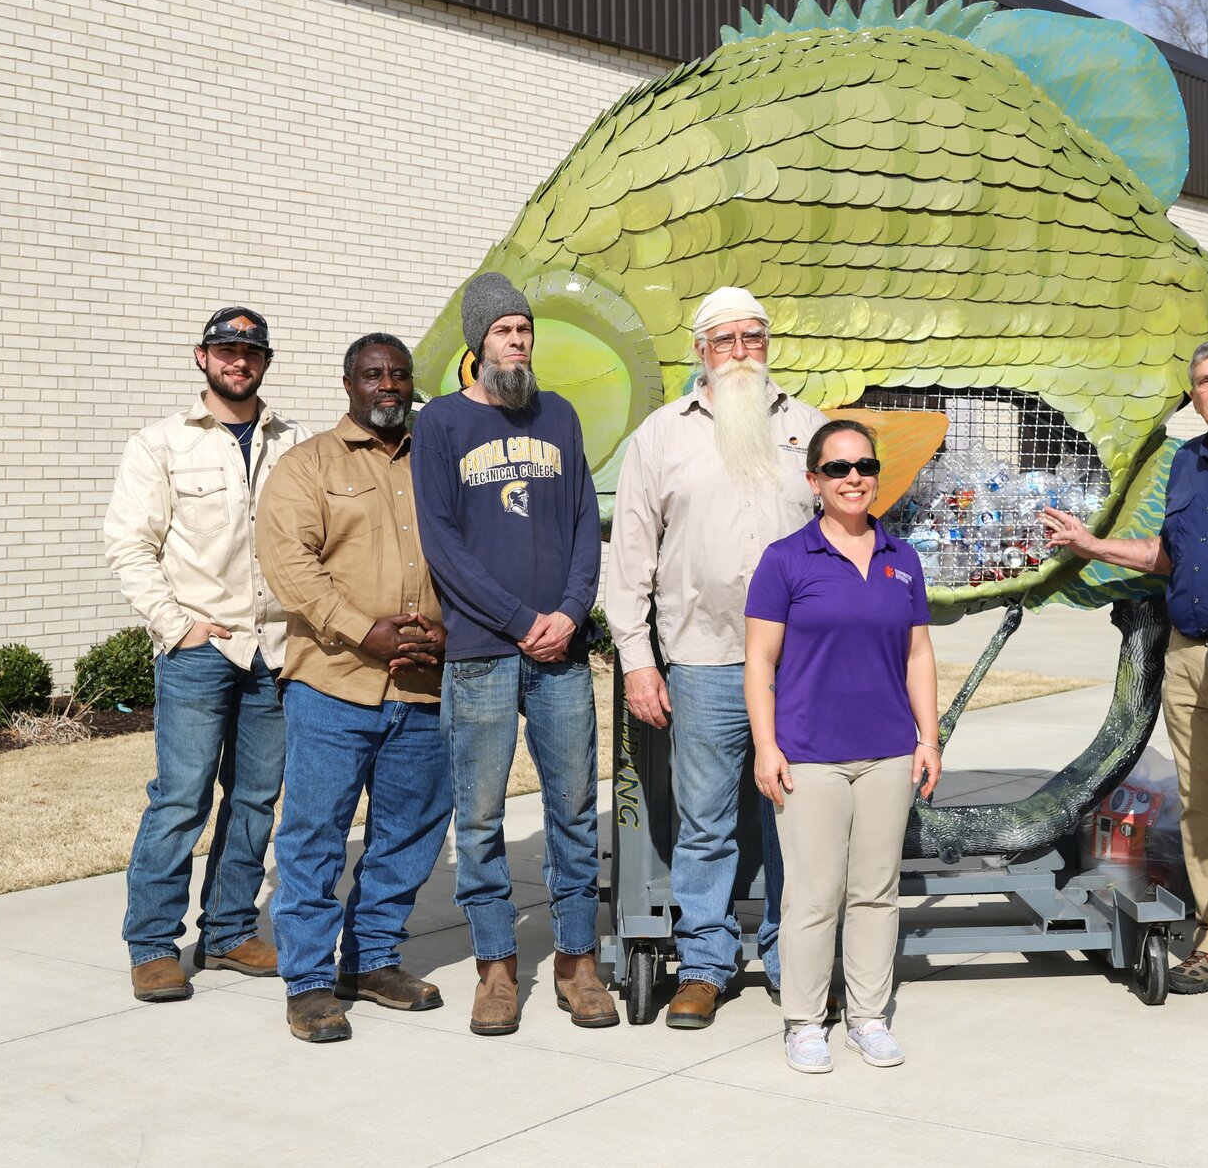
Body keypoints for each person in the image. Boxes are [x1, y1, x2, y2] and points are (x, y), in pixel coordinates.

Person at [1041, 340, 1208, 1003]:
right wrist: (1093, 544)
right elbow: (1171, 553)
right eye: (1204, 382)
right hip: (1188, 655)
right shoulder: (1188, 462)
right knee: (1202, 806)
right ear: (1194, 397)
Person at [605, 286, 827, 1029]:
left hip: (802, 665)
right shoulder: (661, 436)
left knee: (792, 815)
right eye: (725, 340)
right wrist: (638, 658)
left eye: (753, 338)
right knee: (704, 820)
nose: (741, 352)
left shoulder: (809, 429)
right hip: (701, 659)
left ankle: (792, 956)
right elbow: (630, 557)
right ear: (700, 350)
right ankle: (704, 962)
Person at [411, 273, 612, 1036]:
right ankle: (495, 967)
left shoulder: (559, 417)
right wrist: (520, 618)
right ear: (478, 342)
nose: (518, 340)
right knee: (483, 812)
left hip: (559, 653)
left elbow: (586, 524)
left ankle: (575, 960)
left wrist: (567, 613)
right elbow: (443, 543)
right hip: (481, 654)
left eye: (525, 329)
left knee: (571, 807)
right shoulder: (441, 428)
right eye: (504, 330)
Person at [103, 306, 307, 1002]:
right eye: (226, 349)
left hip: (274, 649)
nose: (238, 360)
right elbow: (130, 545)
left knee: (255, 798)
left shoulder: (295, 443)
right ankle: (153, 942)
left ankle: (225, 931)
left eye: (250, 351)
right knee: (181, 798)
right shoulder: (159, 443)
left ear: (265, 361)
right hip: (199, 649)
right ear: (202, 357)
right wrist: (175, 624)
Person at [258, 334, 451, 1043]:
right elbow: (288, 564)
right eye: (375, 374)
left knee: (410, 830)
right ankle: (309, 982)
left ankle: (371, 960)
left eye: (399, 374)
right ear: (349, 383)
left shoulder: (439, 461)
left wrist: (451, 633)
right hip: (334, 681)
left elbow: (470, 553)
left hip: (423, 686)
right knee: (314, 832)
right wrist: (357, 627)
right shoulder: (307, 464)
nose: (389, 385)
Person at [745, 421, 942, 1073]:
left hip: (887, 751)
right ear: (814, 480)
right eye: (837, 467)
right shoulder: (785, 560)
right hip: (809, 755)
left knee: (876, 891)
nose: (853, 476)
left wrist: (928, 737)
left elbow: (918, 655)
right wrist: (766, 746)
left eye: (863, 465)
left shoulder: (902, 557)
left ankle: (868, 1016)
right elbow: (758, 662)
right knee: (813, 893)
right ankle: (805, 1021)